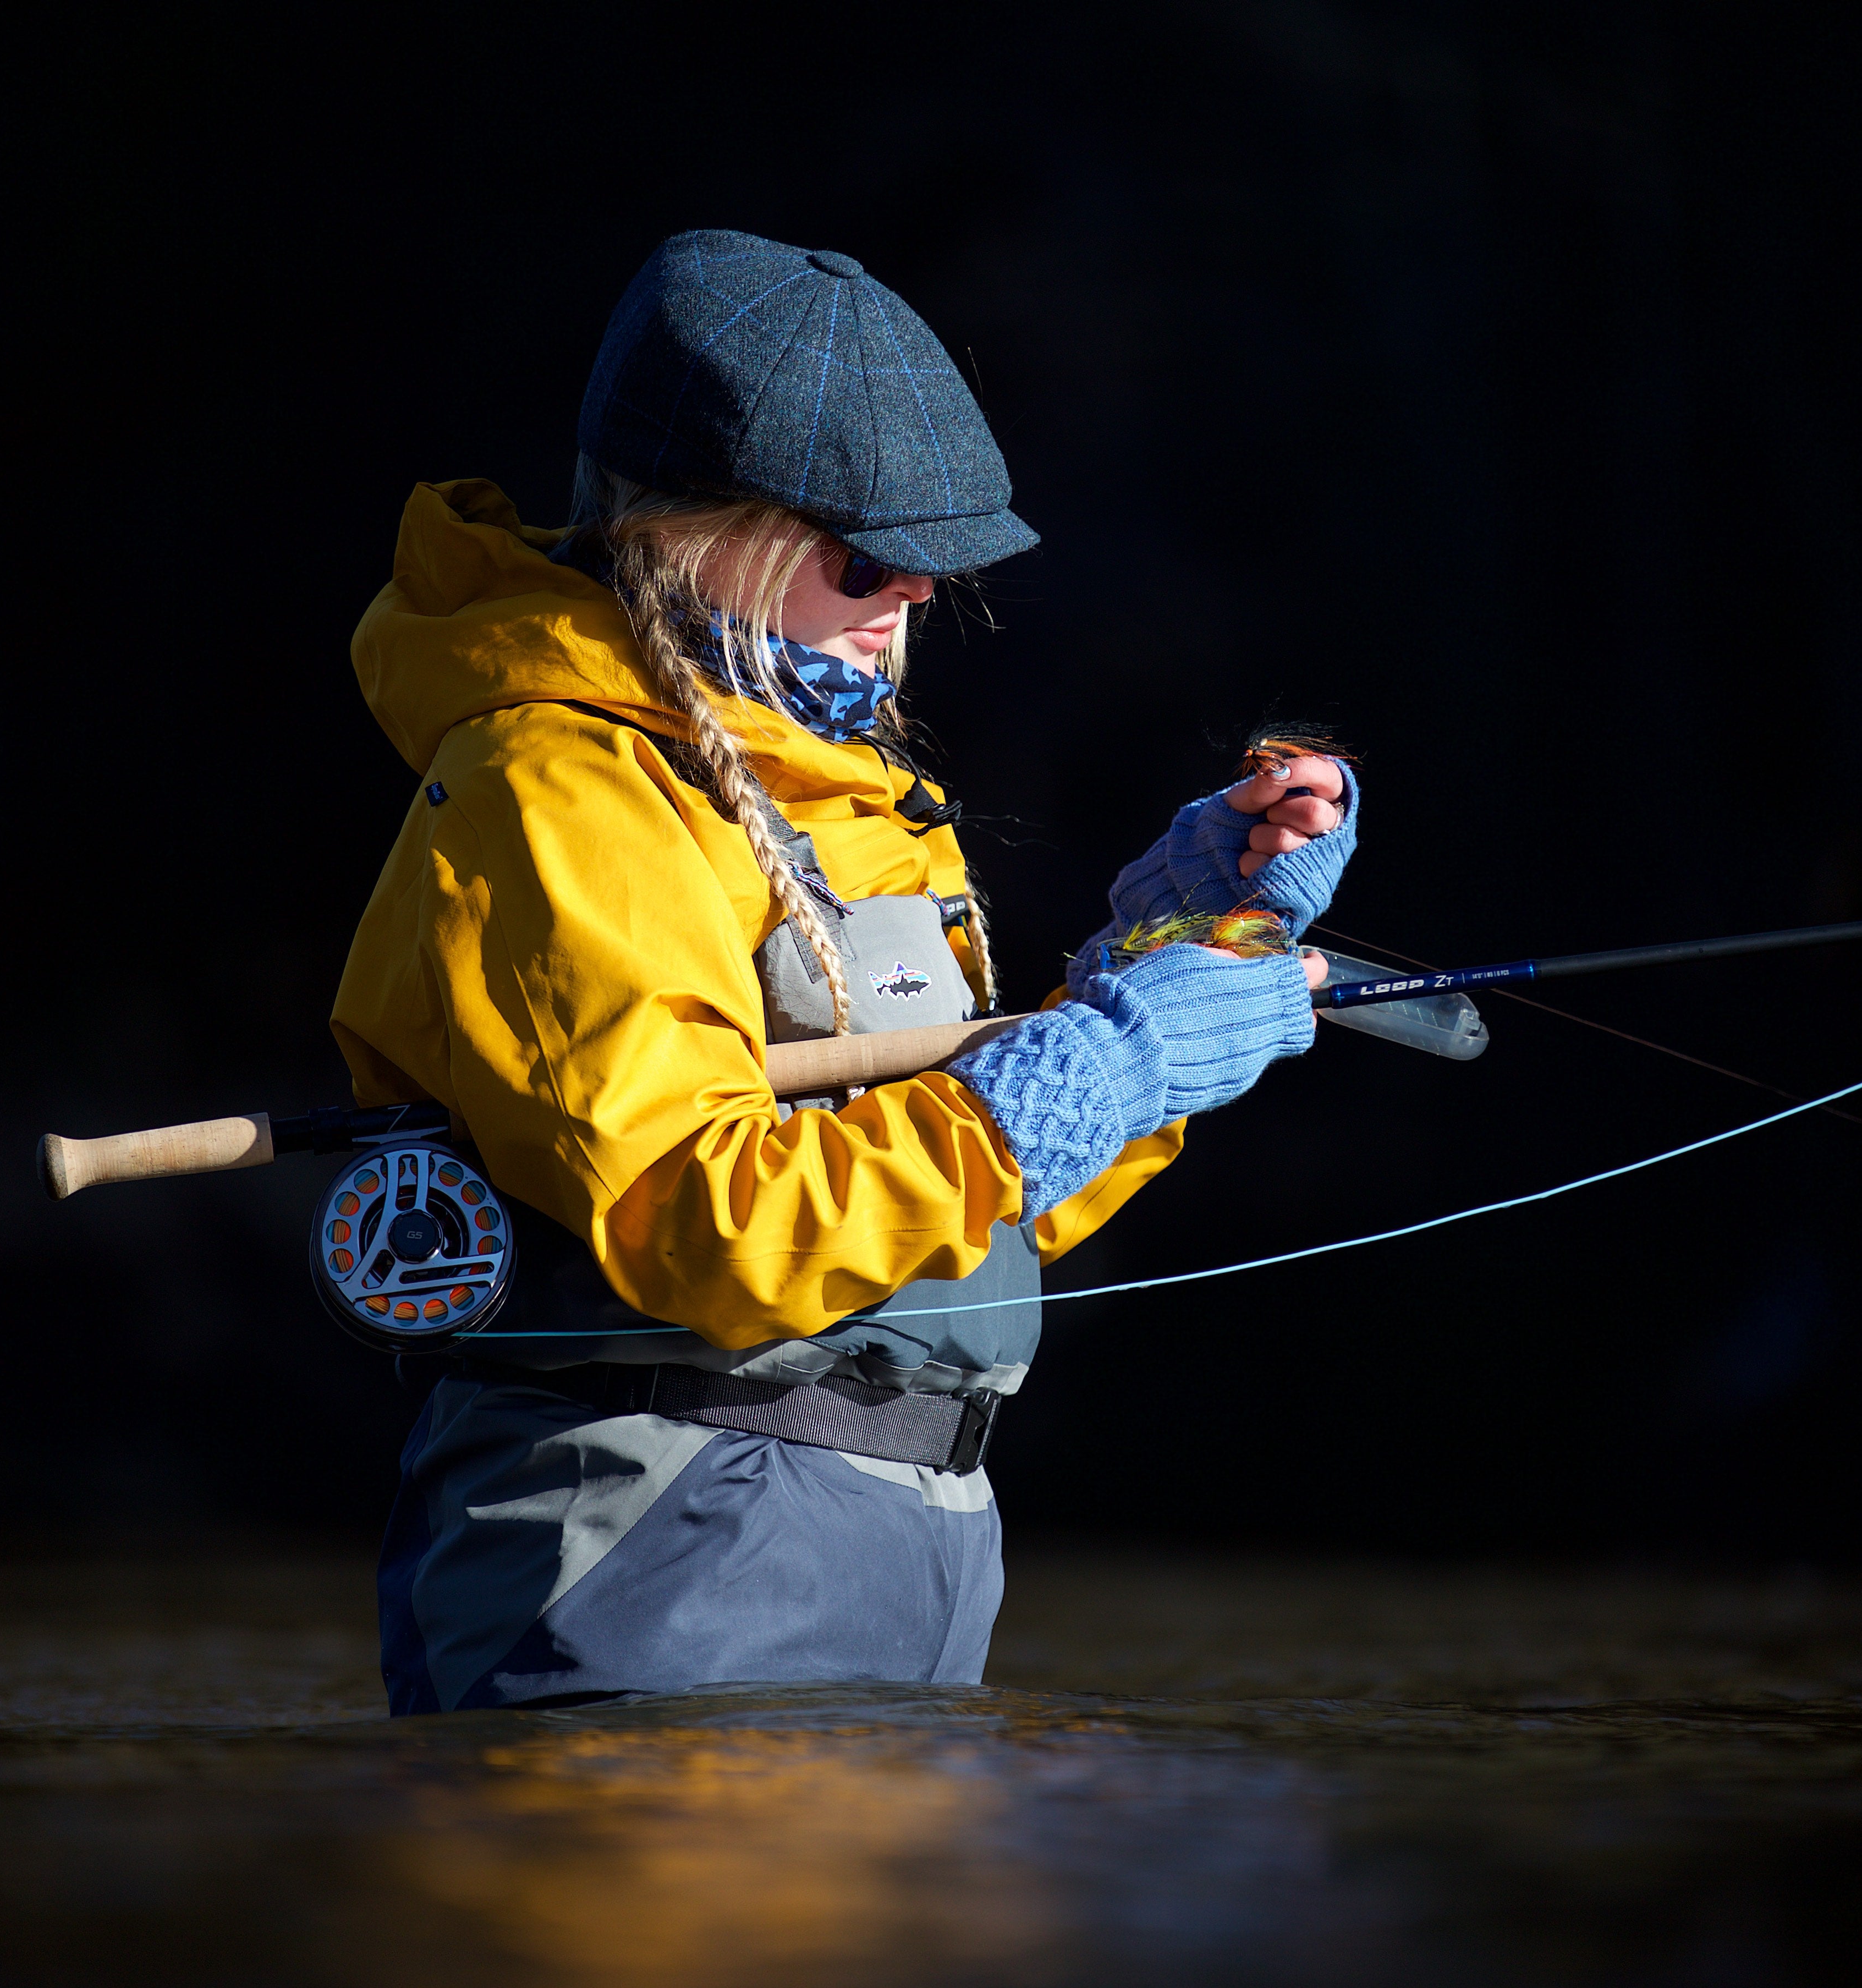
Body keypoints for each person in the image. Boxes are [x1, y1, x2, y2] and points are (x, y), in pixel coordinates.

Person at [333, 231, 1356, 1715]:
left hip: (911, 1558)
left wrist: (1186, 959)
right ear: (689, 532)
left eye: (932, 561)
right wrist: (1088, 1069)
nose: (915, 594)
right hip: (657, 1555)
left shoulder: (846, 800)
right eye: (869, 554)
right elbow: (707, 1222)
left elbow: (970, 1213)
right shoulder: (555, 797)